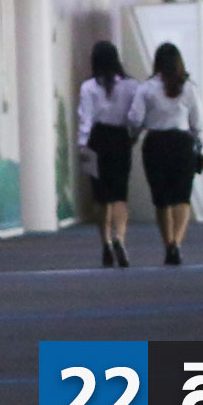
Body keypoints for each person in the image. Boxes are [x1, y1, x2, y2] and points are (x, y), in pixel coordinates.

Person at [129, 43, 203, 266]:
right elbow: (197, 122)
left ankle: (167, 242)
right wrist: (199, 146)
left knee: (161, 199)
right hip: (182, 143)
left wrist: (135, 134)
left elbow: (135, 118)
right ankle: (177, 243)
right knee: (182, 197)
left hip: (156, 143)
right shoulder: (189, 88)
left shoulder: (146, 88)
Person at [77, 41, 138, 268]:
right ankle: (119, 237)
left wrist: (82, 144)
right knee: (120, 193)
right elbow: (135, 116)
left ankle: (106, 242)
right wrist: (133, 135)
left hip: (97, 139)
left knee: (102, 195)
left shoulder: (88, 87)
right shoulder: (131, 86)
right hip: (120, 138)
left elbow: (85, 118)